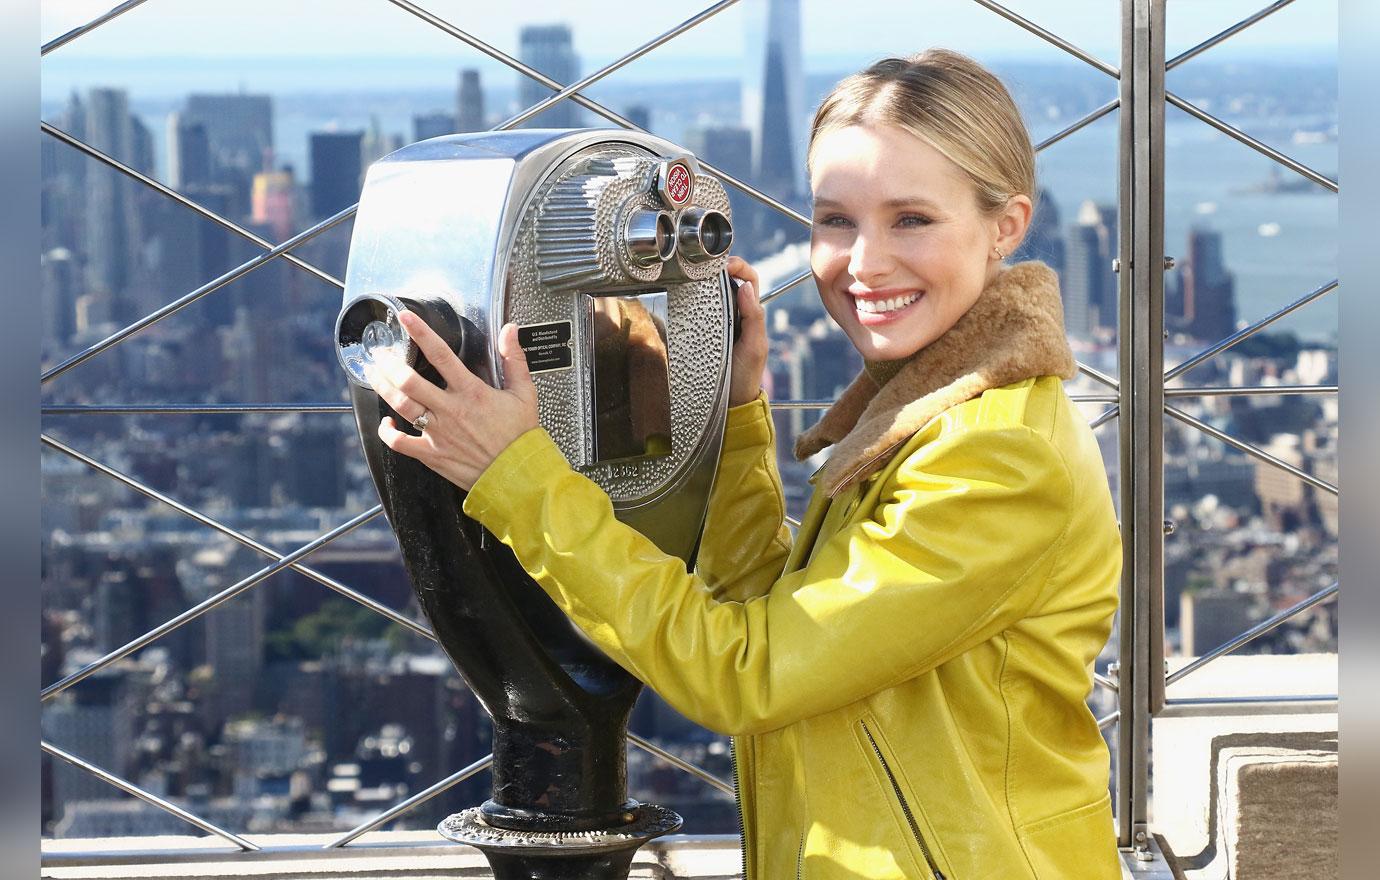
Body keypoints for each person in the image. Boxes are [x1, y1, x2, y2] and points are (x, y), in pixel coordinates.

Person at [366, 48, 1122, 880]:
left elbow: (746, 674)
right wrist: (731, 420)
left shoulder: (995, 455)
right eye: (835, 220)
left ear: (1006, 225)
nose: (863, 263)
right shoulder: (929, 413)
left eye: (912, 219)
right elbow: (780, 618)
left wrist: (518, 476)